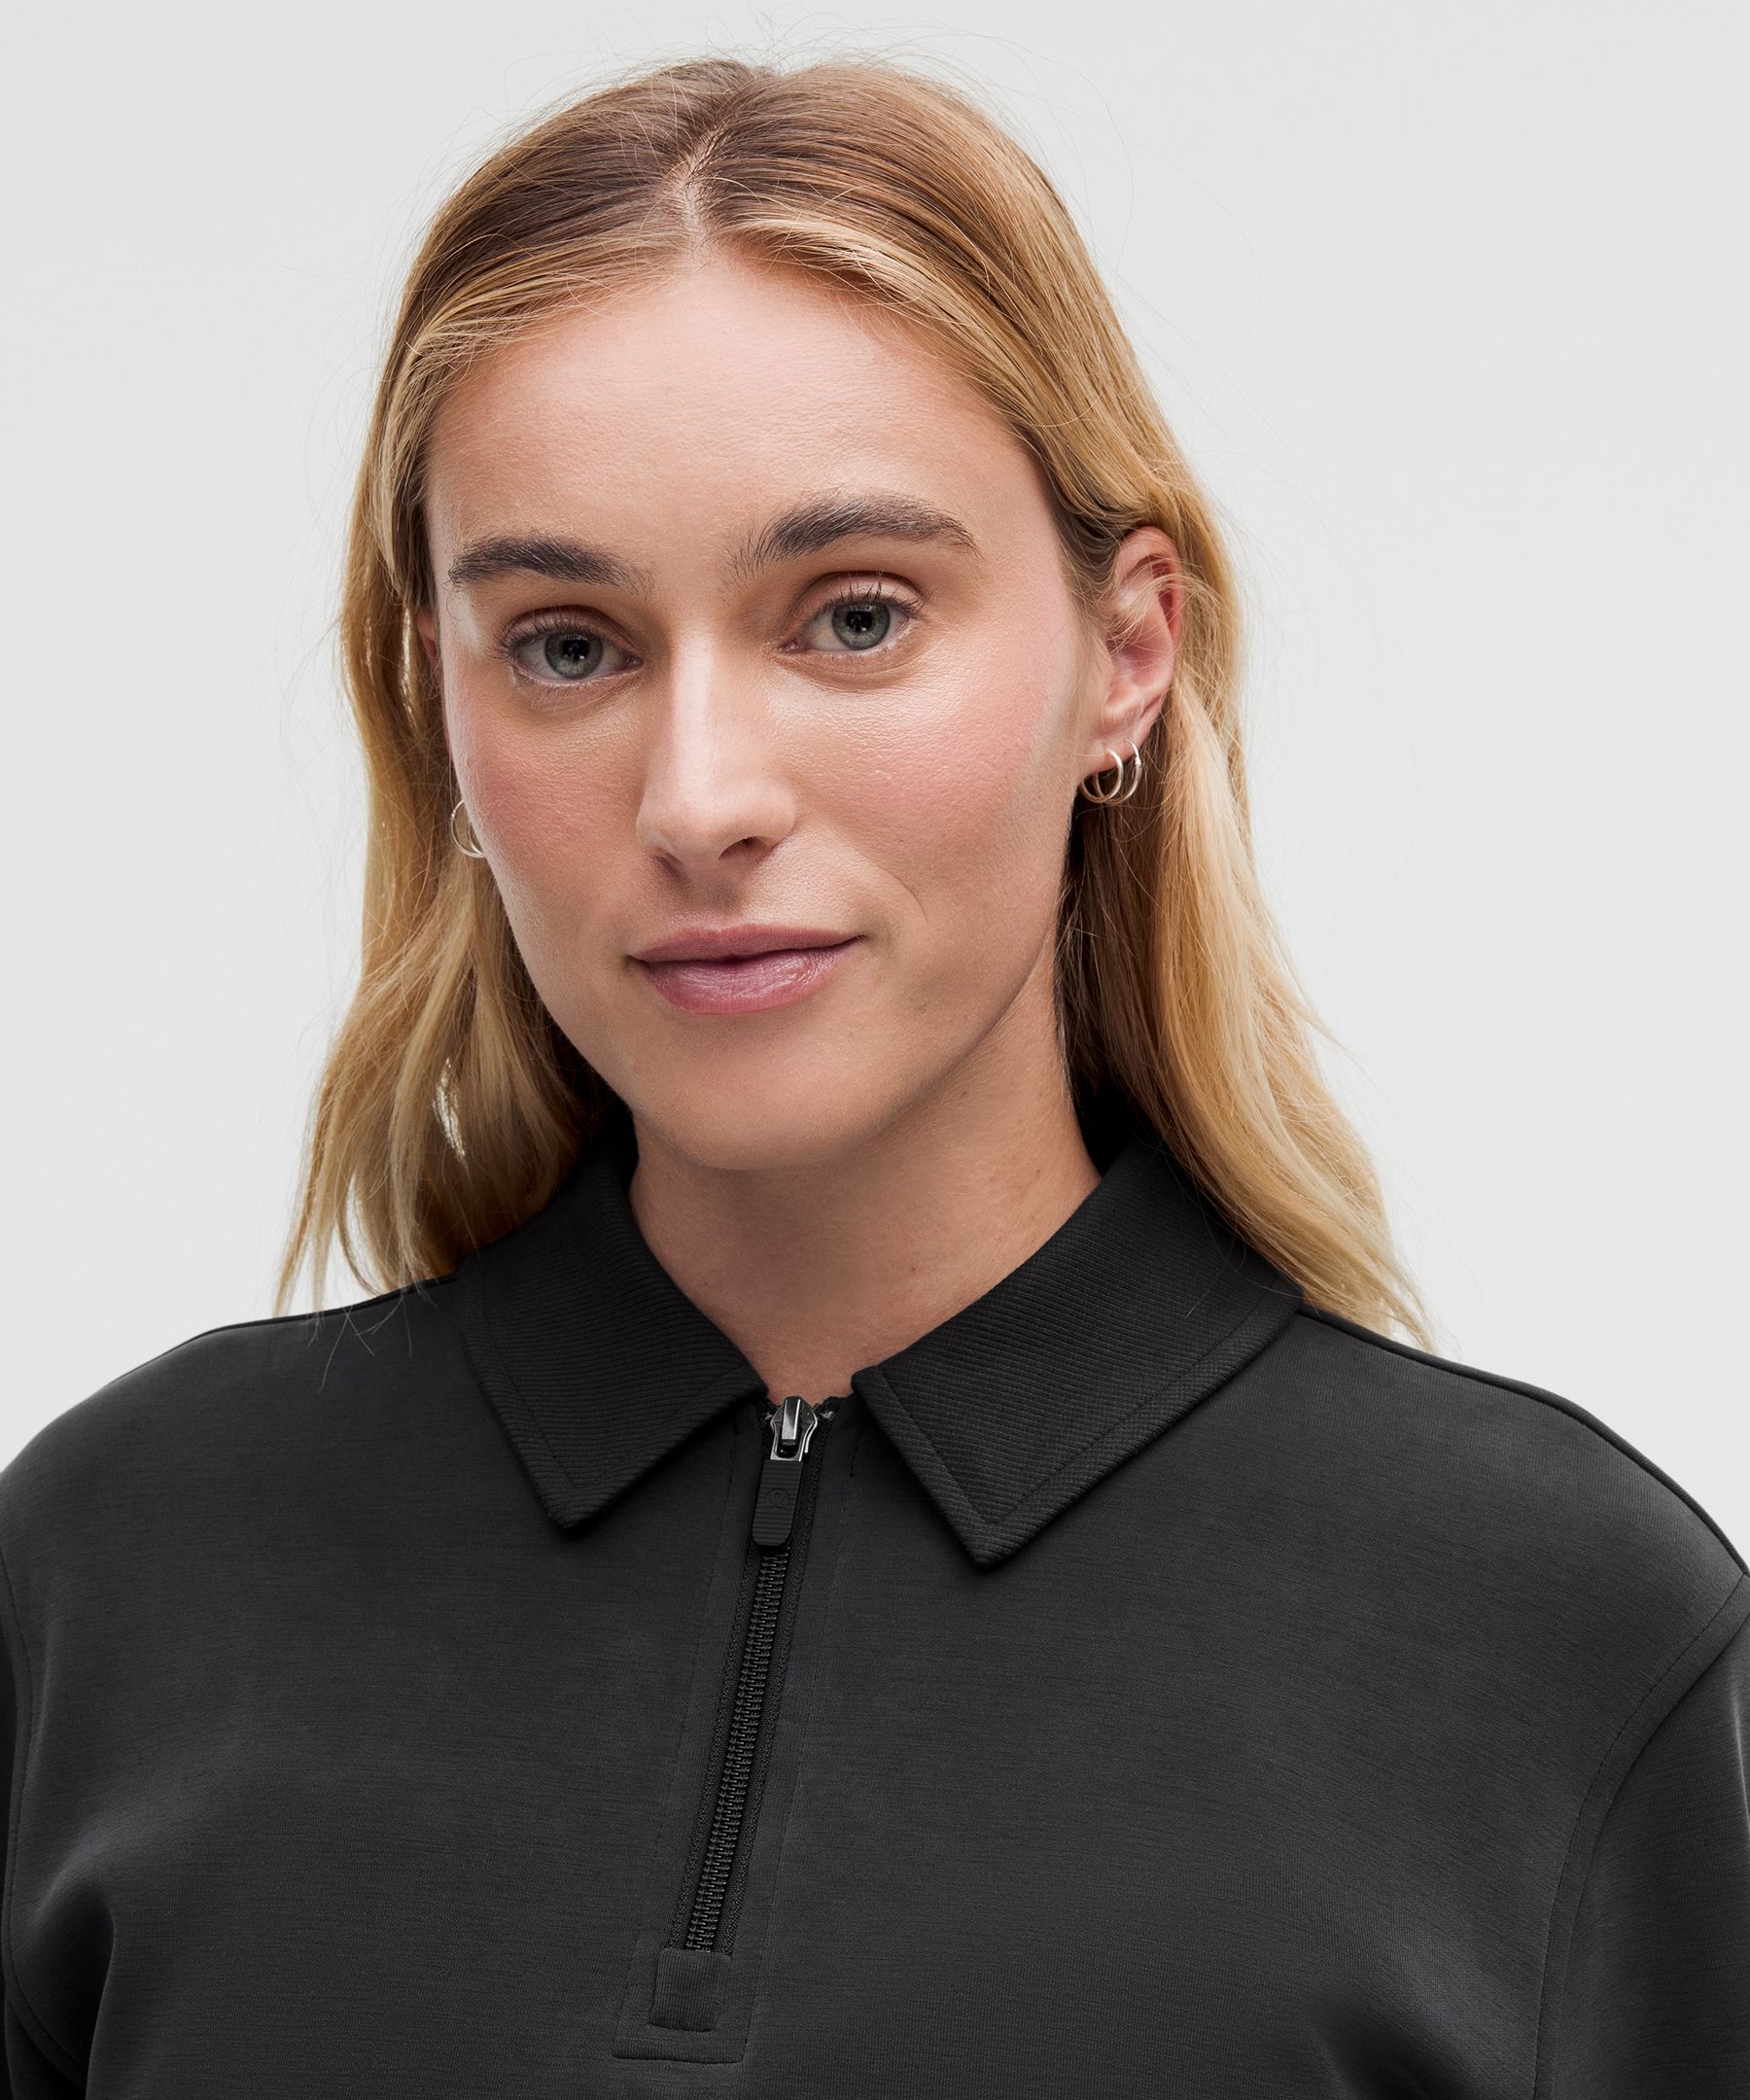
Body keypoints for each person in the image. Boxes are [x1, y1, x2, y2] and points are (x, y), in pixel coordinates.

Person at [1, 49, 1743, 2100]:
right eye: (567, 643)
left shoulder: (1565, 1641)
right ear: (434, 699)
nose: (700, 798)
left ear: (1129, 653)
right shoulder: (109, 1577)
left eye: (851, 617)